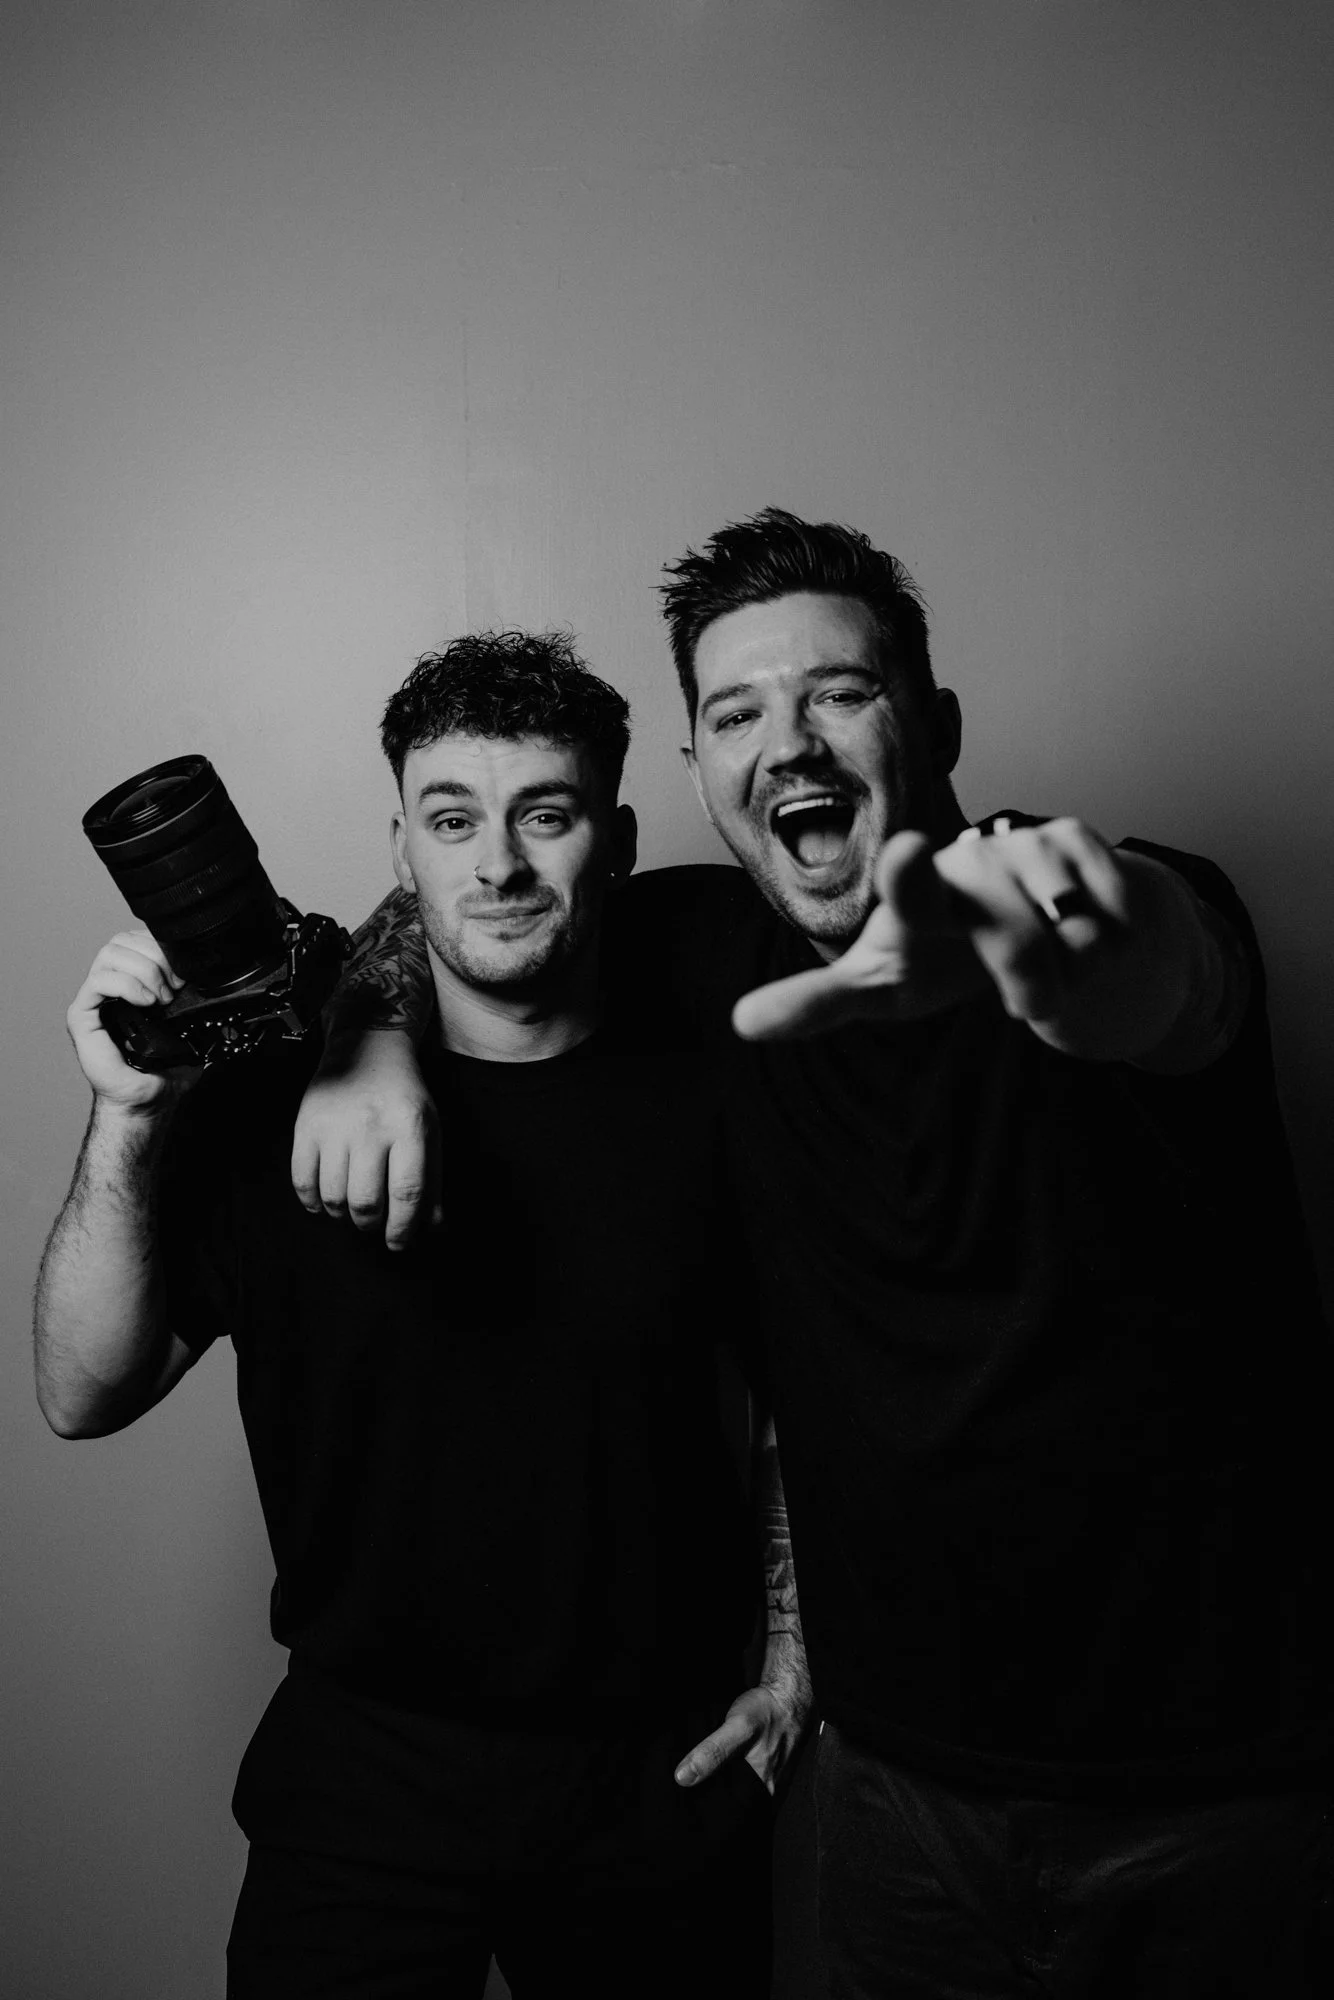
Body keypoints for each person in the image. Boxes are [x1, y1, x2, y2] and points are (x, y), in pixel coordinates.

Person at [296, 513, 1334, 1997]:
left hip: (1219, 1799)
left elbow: (1171, 970)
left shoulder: (1084, 900)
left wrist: (1103, 968)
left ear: (936, 722)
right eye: (736, 712)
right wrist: (365, 1041)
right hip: (890, 1803)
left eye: (838, 693)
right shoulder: (701, 953)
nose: (788, 742)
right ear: (699, 776)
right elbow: (459, 881)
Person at [34, 630, 810, 2000]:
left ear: (616, 842)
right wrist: (127, 1114)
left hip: (657, 1782)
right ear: (401, 847)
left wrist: (798, 1655)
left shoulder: (714, 1075)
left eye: (544, 816)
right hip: (363, 1784)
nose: (497, 866)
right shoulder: (271, 1105)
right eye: (452, 820)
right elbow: (79, 1390)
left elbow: (798, 1397)